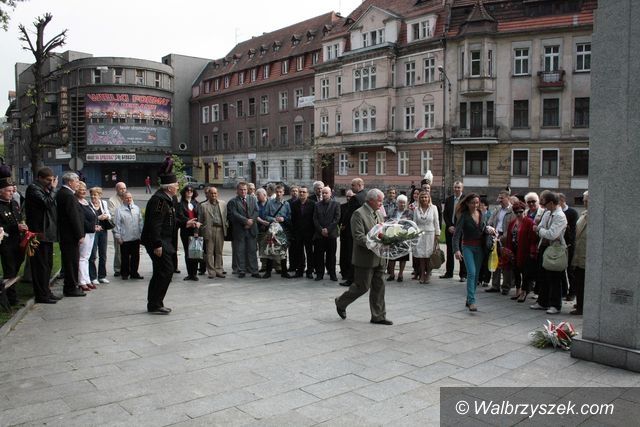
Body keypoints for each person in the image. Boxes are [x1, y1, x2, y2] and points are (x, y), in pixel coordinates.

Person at [335, 189, 392, 325]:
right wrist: (376, 243)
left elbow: (382, 231)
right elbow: (358, 236)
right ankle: (341, 302)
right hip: (365, 258)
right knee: (362, 287)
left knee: (379, 287)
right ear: (371, 200)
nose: (381, 203)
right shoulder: (358, 214)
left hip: (379, 257)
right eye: (379, 201)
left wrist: (390, 238)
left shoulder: (379, 213)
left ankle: (378, 316)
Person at [142, 173, 191, 314]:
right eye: (176, 185)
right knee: (166, 271)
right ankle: (155, 304)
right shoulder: (159, 201)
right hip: (157, 241)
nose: (178, 187)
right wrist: (157, 244)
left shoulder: (168, 199)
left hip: (165, 241)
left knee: (161, 271)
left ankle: (154, 303)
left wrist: (186, 223)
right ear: (169, 188)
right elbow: (154, 224)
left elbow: (172, 219)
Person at [453, 193, 496, 312]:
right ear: (467, 203)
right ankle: (472, 301)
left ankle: (469, 298)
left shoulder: (481, 214)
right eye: (472, 203)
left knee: (476, 275)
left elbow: (483, 228)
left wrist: (489, 229)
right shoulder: (464, 216)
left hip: (480, 248)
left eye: (477, 203)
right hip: (467, 247)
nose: (475, 205)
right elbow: (456, 234)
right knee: (471, 273)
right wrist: (456, 250)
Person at [24, 167, 61, 304]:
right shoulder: (34, 189)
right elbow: (47, 203)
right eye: (48, 180)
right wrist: (53, 189)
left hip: (46, 233)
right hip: (38, 233)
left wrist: (51, 189)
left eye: (52, 180)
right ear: (39, 178)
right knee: (40, 265)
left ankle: (46, 291)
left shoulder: (43, 189)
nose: (50, 182)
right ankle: (41, 294)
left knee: (47, 264)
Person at [530, 191, 567, 315]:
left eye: (544, 203)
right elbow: (539, 228)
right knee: (543, 276)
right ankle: (543, 302)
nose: (542, 205)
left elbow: (552, 234)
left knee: (554, 277)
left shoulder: (560, 216)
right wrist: (540, 230)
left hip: (555, 249)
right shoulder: (547, 213)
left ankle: (555, 305)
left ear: (551, 203)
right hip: (544, 247)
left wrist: (540, 230)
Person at [56, 172, 86, 297]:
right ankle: (71, 288)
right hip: (70, 235)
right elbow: (73, 216)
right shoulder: (68, 195)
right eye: (76, 181)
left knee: (70, 261)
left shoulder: (63, 193)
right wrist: (80, 234)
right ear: (70, 182)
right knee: (72, 262)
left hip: (66, 234)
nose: (78, 184)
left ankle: (71, 286)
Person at [0, 176, 27, 308]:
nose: (11, 193)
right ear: (0, 191)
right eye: (8, 190)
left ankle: (9, 294)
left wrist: (23, 226)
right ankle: (11, 298)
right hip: (6, 243)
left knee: (15, 269)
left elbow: (19, 218)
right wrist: (15, 227)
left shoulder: (15, 203)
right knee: (10, 270)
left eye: (12, 190)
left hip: (19, 242)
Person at [503, 201, 538, 303]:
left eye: (521, 211)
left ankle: (524, 291)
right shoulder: (512, 223)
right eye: (516, 212)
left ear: (524, 211)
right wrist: (508, 251)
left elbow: (533, 239)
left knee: (525, 272)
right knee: (516, 271)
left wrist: (532, 252)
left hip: (525, 251)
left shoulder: (529, 222)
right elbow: (509, 237)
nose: (519, 214)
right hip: (514, 250)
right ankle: (518, 290)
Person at [227, 182, 260, 278]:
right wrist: (245, 221)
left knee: (252, 251)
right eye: (241, 189)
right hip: (240, 230)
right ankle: (241, 270)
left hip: (251, 229)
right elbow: (234, 214)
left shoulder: (253, 199)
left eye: (245, 189)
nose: (243, 191)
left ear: (247, 190)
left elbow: (256, 211)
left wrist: (251, 221)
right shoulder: (233, 201)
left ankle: (254, 271)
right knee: (240, 251)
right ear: (237, 190)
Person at [486, 189, 515, 295]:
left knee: (506, 263)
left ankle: (506, 287)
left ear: (508, 198)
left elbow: (512, 227)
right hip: (495, 237)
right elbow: (489, 222)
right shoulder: (497, 209)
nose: (499, 200)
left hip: (506, 239)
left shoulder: (512, 211)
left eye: (502, 198)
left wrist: (503, 237)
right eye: (499, 198)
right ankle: (495, 285)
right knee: (495, 261)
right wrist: (490, 229)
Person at [261, 184, 292, 279]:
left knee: (283, 250)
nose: (278, 194)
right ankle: (268, 272)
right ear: (275, 192)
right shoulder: (270, 203)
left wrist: (284, 218)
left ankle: (284, 271)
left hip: (283, 230)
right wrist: (273, 219)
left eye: (280, 192)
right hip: (272, 230)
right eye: (277, 192)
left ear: (283, 193)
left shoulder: (286, 204)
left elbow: (289, 216)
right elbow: (265, 215)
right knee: (270, 249)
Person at [339, 178, 366, 287]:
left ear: (359, 185)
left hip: (352, 230)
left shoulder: (355, 198)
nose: (351, 187)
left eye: (353, 185)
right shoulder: (366, 195)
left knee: (351, 254)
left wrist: (343, 225)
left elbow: (349, 213)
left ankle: (351, 279)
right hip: (363, 229)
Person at [198, 186, 227, 280]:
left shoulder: (223, 204)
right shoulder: (203, 205)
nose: (213, 195)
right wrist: (200, 231)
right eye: (211, 193)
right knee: (209, 252)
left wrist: (226, 225)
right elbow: (200, 220)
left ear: (217, 194)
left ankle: (219, 270)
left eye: (215, 193)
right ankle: (211, 272)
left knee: (219, 251)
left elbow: (226, 217)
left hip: (220, 230)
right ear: (208, 194)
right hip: (208, 230)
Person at [313, 186, 340, 281]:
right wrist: (321, 230)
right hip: (319, 235)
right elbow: (315, 219)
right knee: (319, 255)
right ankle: (319, 274)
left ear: (330, 194)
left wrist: (328, 229)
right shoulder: (317, 205)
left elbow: (336, 219)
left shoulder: (336, 204)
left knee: (331, 256)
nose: (324, 194)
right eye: (323, 193)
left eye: (326, 193)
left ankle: (332, 274)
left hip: (331, 234)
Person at [76, 181, 100, 291]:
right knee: (82, 257)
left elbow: (93, 215)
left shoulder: (85, 201)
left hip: (91, 232)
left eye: (84, 189)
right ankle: (82, 281)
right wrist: (92, 227)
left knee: (87, 257)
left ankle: (87, 279)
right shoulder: (77, 202)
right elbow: (81, 220)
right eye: (80, 189)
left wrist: (95, 226)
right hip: (84, 233)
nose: (83, 191)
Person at [115, 192, 144, 281]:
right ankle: (125, 273)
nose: (129, 199)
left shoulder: (136, 208)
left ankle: (134, 273)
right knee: (125, 257)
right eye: (127, 198)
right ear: (123, 199)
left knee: (136, 257)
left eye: (130, 197)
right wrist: (118, 236)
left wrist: (141, 234)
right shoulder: (119, 210)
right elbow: (117, 224)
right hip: (125, 238)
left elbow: (140, 222)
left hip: (135, 237)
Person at [412, 191, 440, 284]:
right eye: (422, 197)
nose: (424, 199)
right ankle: (422, 274)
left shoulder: (433, 208)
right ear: (419, 199)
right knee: (421, 256)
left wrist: (437, 234)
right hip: (419, 234)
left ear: (429, 198)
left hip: (430, 234)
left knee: (429, 256)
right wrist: (413, 234)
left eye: (425, 197)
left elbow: (436, 222)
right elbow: (414, 222)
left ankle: (428, 274)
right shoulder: (416, 209)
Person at [442, 181, 466, 281]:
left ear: (462, 188)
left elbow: (466, 215)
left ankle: (463, 274)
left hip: (461, 230)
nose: (456, 189)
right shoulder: (449, 199)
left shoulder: (465, 200)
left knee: (461, 251)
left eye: (458, 187)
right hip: (450, 229)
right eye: (455, 187)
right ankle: (449, 273)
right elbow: (445, 214)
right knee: (449, 251)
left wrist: (458, 227)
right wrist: (449, 226)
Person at [290, 185, 315, 279]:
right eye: (300, 192)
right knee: (299, 252)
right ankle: (300, 270)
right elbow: (292, 219)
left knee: (309, 252)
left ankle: (310, 271)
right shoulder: (294, 204)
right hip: (298, 232)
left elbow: (314, 219)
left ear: (307, 194)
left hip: (309, 232)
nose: (301, 193)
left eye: (304, 192)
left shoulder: (312, 204)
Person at [386, 195, 412, 282]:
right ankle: (392, 274)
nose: (402, 204)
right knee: (392, 256)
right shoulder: (392, 211)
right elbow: (387, 221)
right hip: (392, 236)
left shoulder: (409, 212)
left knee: (403, 257)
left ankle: (400, 274)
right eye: (400, 202)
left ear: (406, 203)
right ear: (397, 203)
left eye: (404, 203)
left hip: (404, 237)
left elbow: (411, 224)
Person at [178, 185, 201, 281]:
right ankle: (189, 274)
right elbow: (180, 216)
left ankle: (194, 274)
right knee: (187, 253)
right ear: (184, 192)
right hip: (185, 230)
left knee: (195, 252)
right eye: (187, 190)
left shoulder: (197, 203)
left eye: (191, 191)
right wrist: (189, 221)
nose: (189, 192)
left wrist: (196, 229)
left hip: (195, 230)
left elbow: (200, 216)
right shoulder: (180, 204)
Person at [571, 191, 588, 315]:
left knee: (582, 282)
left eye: (587, 200)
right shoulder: (584, 214)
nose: (584, 202)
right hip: (579, 252)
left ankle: (582, 305)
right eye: (584, 200)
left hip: (586, 254)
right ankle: (580, 303)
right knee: (578, 281)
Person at [88, 187, 110, 285]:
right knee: (92, 254)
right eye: (92, 195)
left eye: (95, 195)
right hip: (93, 232)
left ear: (100, 195)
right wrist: (98, 217)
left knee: (103, 254)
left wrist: (106, 216)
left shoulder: (103, 203)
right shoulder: (88, 204)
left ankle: (102, 276)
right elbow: (88, 218)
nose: (93, 197)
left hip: (103, 231)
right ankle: (92, 277)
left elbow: (109, 214)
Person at [559, 193, 578, 301]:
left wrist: (570, 243)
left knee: (570, 270)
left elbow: (573, 230)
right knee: (560, 268)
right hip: (559, 244)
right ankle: (563, 290)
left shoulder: (572, 212)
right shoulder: (556, 212)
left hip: (569, 245)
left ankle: (572, 292)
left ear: (562, 201)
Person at [108, 182, 128, 277]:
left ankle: (127, 268)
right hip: (118, 229)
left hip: (129, 228)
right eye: (121, 189)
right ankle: (118, 269)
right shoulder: (112, 200)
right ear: (116, 189)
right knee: (119, 250)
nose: (123, 190)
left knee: (129, 249)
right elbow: (112, 216)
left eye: (124, 188)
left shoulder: (128, 197)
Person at [339, 190, 354, 281]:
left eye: (350, 197)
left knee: (350, 254)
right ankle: (344, 272)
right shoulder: (342, 206)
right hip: (344, 234)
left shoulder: (355, 207)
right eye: (347, 196)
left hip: (352, 234)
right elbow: (339, 219)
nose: (348, 198)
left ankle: (350, 273)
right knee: (343, 254)